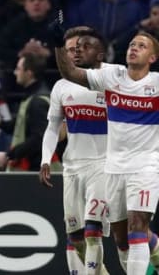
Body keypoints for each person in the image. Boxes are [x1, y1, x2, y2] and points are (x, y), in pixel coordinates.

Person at [53, 19, 159, 274]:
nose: (134, 48)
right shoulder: (112, 77)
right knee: (122, 239)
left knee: (137, 227)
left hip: (145, 166)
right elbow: (71, 74)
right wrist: (57, 44)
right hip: (113, 168)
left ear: (153, 57)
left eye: (141, 46)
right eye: (132, 44)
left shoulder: (157, 84)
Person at [39, 27, 111, 275]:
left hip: (104, 165)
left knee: (93, 231)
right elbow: (52, 127)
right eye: (69, 49)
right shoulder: (61, 86)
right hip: (72, 166)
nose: (74, 53)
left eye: (79, 48)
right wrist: (45, 160)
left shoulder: (111, 80)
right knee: (76, 236)